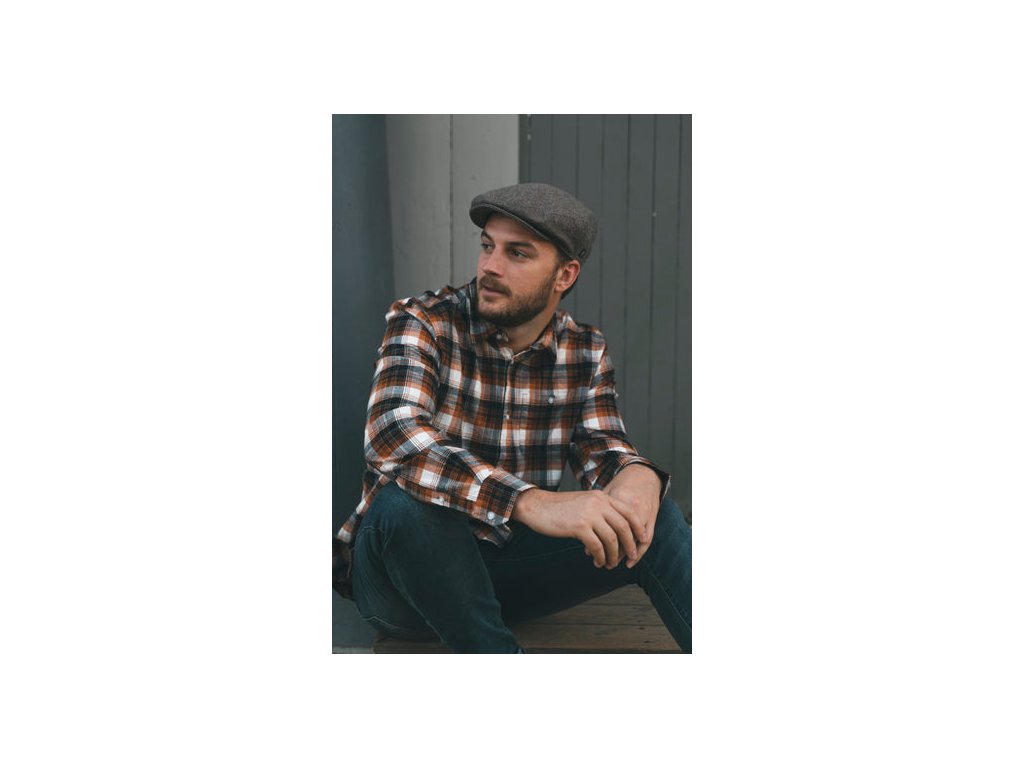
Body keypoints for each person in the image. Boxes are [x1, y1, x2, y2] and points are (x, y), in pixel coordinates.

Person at [333, 182, 692, 653]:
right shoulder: (423, 321)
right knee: (408, 504)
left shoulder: (584, 349)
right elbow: (394, 436)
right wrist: (529, 501)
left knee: (656, 518)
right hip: (401, 584)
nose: (490, 266)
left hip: (503, 573)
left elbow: (604, 449)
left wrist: (637, 475)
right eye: (488, 246)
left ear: (564, 275)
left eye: (517, 253)